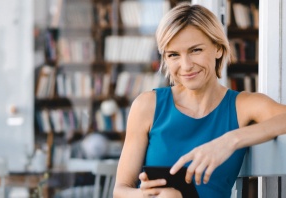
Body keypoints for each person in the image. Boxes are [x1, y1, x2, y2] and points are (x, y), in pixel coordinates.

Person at [113, 2, 286, 198]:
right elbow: (120, 190)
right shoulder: (147, 106)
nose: (186, 66)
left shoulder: (242, 106)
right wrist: (145, 195)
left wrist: (230, 140)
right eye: (174, 55)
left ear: (218, 49)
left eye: (195, 50)